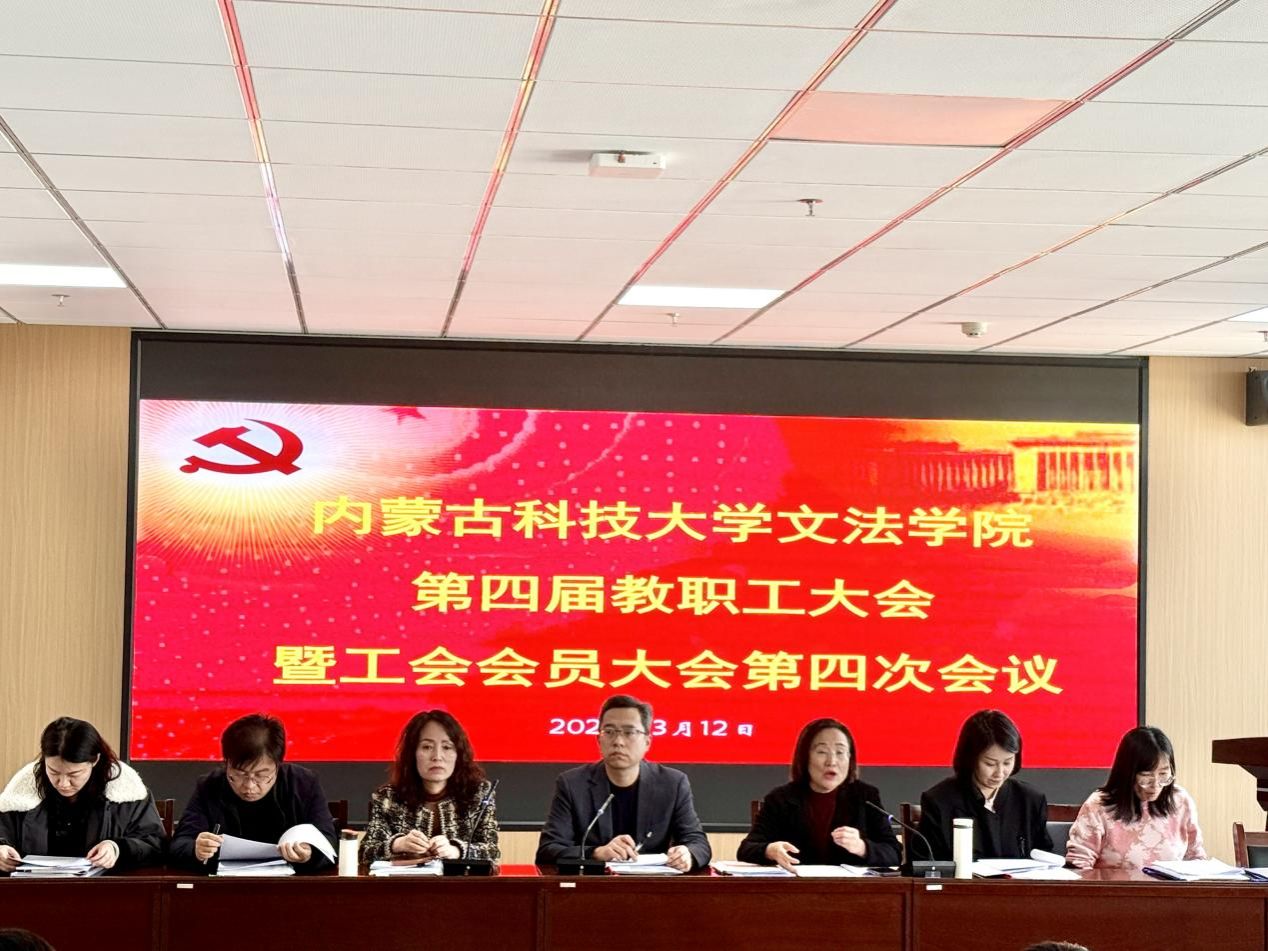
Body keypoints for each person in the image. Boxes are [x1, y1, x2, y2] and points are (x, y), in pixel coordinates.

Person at [535, 694, 710, 871]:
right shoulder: (572, 784)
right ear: (598, 739)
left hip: (652, 884)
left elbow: (698, 844)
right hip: (592, 883)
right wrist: (596, 852)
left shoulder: (672, 783)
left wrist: (687, 854)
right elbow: (548, 849)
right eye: (609, 732)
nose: (618, 742)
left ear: (647, 742)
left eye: (629, 732)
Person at [169, 713, 336, 873]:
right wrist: (196, 850)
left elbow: (329, 842)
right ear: (227, 763)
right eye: (239, 774)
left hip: (288, 885)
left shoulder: (303, 784)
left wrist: (310, 854)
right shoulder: (210, 786)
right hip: (226, 885)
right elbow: (179, 844)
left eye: (261, 775)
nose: (249, 786)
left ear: (277, 765)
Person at [0, 717, 163, 874]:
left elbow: (154, 843)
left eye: (74, 774)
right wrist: (2, 848)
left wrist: (117, 848)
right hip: (34, 888)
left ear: (95, 760)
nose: (63, 783)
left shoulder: (127, 791)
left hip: (104, 889)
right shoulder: (21, 792)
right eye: (53, 772)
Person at [737, 717, 900, 869]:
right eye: (822, 752)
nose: (832, 761)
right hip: (797, 887)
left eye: (840, 752)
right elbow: (747, 849)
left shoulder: (865, 796)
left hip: (851, 888)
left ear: (850, 758)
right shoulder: (781, 799)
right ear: (805, 757)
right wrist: (769, 850)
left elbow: (895, 853)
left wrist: (862, 847)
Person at [360, 710, 499, 863]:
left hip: (460, 879)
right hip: (406, 879)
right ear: (412, 754)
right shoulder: (388, 797)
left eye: (447, 747)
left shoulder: (478, 794)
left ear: (458, 754)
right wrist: (397, 844)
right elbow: (365, 852)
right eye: (427, 747)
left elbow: (492, 852)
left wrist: (456, 850)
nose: (437, 756)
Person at [918, 709, 1053, 862]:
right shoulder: (939, 801)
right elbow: (925, 862)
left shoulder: (1030, 800)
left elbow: (1045, 856)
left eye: (1007, 762)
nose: (999, 773)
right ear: (971, 758)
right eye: (990, 764)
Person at [1066, 725, 1205, 869]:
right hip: (1113, 884)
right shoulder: (1098, 805)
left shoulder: (1180, 801)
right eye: (1146, 776)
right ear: (1128, 773)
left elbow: (1196, 858)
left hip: (1168, 884)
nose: (1156, 785)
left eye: (1163, 774)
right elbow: (1078, 865)